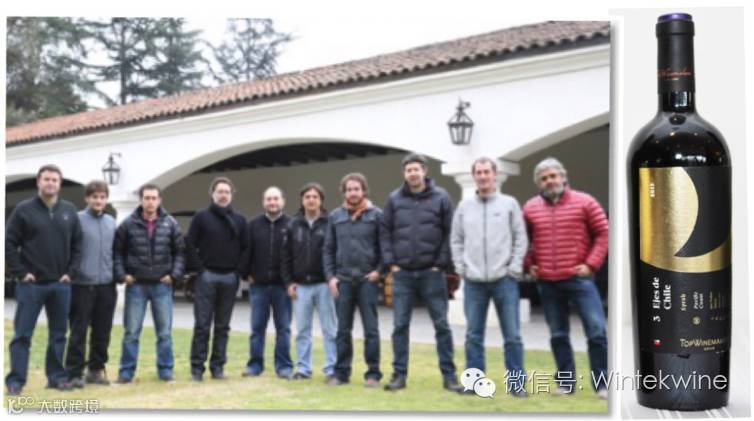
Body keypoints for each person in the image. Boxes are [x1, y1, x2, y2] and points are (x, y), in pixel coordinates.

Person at [523, 157, 609, 399]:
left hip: (579, 280)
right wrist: (529, 264)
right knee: (558, 335)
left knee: (596, 331)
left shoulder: (585, 202)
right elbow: (522, 239)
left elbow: (603, 233)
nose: (549, 181)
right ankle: (565, 383)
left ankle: (602, 385)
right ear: (539, 183)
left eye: (553, 176)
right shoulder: (529, 208)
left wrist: (591, 264)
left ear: (563, 177)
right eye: (544, 178)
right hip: (547, 282)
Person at [380, 153, 462, 393]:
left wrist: (441, 263)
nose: (413, 173)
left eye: (416, 169)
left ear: (424, 171)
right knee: (399, 326)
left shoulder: (441, 197)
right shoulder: (394, 199)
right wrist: (391, 263)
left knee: (442, 326)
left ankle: (449, 377)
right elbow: (385, 232)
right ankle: (399, 376)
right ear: (404, 173)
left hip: (432, 273)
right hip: (402, 274)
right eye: (409, 170)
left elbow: (450, 232)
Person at [450, 157, 529, 397]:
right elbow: (456, 240)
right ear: (474, 176)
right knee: (473, 336)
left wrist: (514, 268)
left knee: (512, 336)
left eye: (487, 172)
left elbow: (520, 238)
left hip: (505, 280)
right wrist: (461, 268)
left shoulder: (509, 204)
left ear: (494, 174)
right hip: (473, 282)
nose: (483, 176)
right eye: (479, 172)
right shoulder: (464, 207)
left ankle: (516, 385)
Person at [5, 164, 83, 395]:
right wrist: (21, 272)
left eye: (54, 180)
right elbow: (9, 243)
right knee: (22, 335)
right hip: (31, 285)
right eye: (46, 179)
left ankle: (56, 378)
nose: (50, 183)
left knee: (59, 334)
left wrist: (71, 272)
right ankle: (16, 381)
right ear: (38, 182)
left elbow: (78, 245)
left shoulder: (69, 210)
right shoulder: (23, 210)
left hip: (61, 285)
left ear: (60, 184)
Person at [114, 184, 185, 383]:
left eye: (154, 198)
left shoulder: (170, 223)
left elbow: (180, 252)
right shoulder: (128, 224)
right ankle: (126, 373)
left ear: (159, 200)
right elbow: (117, 252)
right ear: (141, 200)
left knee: (164, 333)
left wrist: (174, 275)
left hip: (162, 285)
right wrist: (122, 275)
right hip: (136, 285)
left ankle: (166, 371)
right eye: (147, 198)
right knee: (131, 333)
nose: (150, 202)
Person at [323, 173, 383, 387]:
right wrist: (331, 277)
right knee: (342, 330)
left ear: (364, 190)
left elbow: (384, 247)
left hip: (367, 281)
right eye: (349, 189)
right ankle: (341, 373)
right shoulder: (335, 216)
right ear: (344, 192)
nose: (353, 193)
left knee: (371, 330)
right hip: (343, 281)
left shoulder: (376, 215)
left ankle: (373, 374)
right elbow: (328, 249)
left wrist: (379, 271)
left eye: (356, 189)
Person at [186, 177, 247, 381]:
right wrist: (200, 269)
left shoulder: (240, 220)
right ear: (212, 194)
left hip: (230, 277)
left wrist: (238, 271)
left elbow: (246, 248)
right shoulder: (201, 217)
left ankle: (218, 367)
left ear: (232, 195)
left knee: (222, 326)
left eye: (227, 192)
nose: (223, 195)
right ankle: (197, 368)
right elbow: (190, 244)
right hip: (207, 276)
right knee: (202, 325)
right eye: (219, 191)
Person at [65, 180, 118, 388]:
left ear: (106, 199)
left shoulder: (111, 222)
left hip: (106, 285)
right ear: (87, 198)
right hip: (81, 285)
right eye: (95, 197)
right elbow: (68, 249)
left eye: (102, 197)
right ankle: (74, 372)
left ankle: (95, 370)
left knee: (102, 331)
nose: (98, 201)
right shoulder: (76, 220)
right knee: (78, 331)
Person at [282, 183, 337, 381]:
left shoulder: (331, 223)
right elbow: (285, 257)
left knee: (330, 329)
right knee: (303, 330)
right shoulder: (293, 225)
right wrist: (288, 282)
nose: (311, 200)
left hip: (324, 284)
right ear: (302, 200)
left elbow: (336, 253)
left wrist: (333, 278)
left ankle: (332, 369)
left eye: (315, 196)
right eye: (307, 197)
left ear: (321, 200)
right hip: (301, 286)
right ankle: (304, 369)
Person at [241, 187, 294, 379]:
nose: (272, 202)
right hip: (259, 286)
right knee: (257, 329)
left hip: (283, 287)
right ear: (264, 202)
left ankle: (284, 367)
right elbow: (245, 251)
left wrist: (292, 280)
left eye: (276, 198)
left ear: (283, 201)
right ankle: (255, 366)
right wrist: (246, 274)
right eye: (269, 199)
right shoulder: (253, 225)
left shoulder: (292, 225)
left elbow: (296, 254)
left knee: (284, 329)